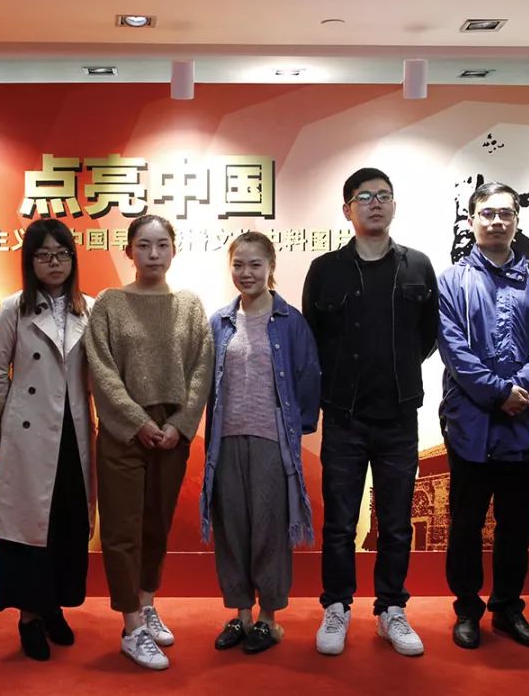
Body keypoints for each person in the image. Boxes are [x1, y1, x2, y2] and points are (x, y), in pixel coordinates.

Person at [302, 167, 439, 657]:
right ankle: (337, 606)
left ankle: (391, 609)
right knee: (340, 523)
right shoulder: (326, 269)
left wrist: (395, 370)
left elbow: (428, 336)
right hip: (344, 416)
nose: (375, 203)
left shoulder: (418, 266)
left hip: (399, 417)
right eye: (364, 196)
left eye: (383, 195)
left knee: (396, 523)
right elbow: (313, 338)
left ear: (394, 205)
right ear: (348, 210)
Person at [436, 182, 529, 650]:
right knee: (465, 523)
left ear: (516, 220)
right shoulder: (451, 282)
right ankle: (467, 609)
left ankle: (508, 607)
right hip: (471, 423)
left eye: (505, 214)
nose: (496, 222)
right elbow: (453, 347)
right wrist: (497, 393)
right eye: (487, 213)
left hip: (526, 423)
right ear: (472, 220)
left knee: (517, 523)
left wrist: (522, 387)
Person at [84, 214, 213, 670]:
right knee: (122, 529)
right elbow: (101, 370)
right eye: (143, 245)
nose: (153, 254)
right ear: (129, 252)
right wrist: (137, 420)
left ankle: (146, 602)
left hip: (172, 431)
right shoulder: (109, 304)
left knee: (157, 523)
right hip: (124, 430)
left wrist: (181, 423)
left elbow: (202, 368)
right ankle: (131, 626)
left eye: (161, 245)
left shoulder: (190, 306)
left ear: (174, 250)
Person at [203, 231, 321, 655]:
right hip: (226, 441)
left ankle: (268, 619)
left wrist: (296, 428)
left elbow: (308, 375)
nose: (246, 272)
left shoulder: (290, 321)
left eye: (255, 264)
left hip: (272, 441)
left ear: (271, 267)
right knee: (232, 528)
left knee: (269, 528)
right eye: (238, 264)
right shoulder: (219, 322)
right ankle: (241, 614)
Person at [0, 219, 96, 661]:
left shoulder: (88, 309)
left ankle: (53, 607)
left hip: (74, 430)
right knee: (29, 530)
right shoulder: (14, 308)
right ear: (30, 261)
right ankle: (29, 617)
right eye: (44, 255)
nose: (54, 262)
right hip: (30, 435)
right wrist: (15, 415)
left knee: (66, 522)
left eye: (62, 254)